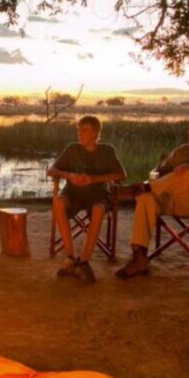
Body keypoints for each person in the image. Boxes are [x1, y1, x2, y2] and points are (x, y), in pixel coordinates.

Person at [116, 115, 189, 279]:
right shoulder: (182, 150)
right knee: (145, 198)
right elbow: (158, 172)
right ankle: (139, 256)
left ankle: (137, 189)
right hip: (169, 200)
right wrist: (170, 174)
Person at [47, 115, 127, 282]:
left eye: (84, 130)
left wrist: (93, 179)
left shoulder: (106, 151)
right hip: (73, 193)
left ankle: (84, 262)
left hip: (97, 194)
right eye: (79, 130)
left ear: (95, 133)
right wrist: (70, 175)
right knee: (58, 201)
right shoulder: (72, 149)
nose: (80, 134)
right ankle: (70, 257)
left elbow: (121, 175)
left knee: (98, 209)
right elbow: (51, 170)